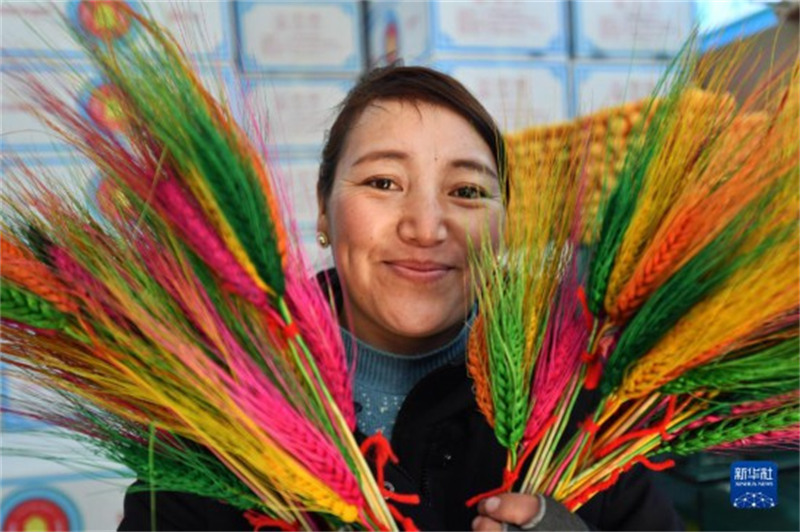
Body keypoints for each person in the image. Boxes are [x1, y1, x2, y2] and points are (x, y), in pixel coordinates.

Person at [118, 65, 682, 531]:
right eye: (383, 183)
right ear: (323, 209)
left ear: (505, 225)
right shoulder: (220, 408)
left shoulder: (575, 407)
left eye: (467, 191)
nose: (426, 227)